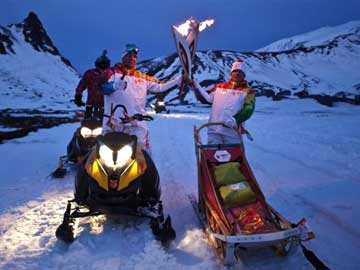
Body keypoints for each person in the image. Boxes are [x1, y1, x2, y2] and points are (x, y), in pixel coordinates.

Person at [101, 44, 183, 153]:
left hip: (137, 124)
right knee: (106, 155)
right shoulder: (110, 73)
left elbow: (160, 86)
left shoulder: (142, 77)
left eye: (135, 56)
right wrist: (114, 86)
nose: (132, 58)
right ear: (123, 56)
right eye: (129, 55)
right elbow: (101, 88)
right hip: (114, 124)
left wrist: (179, 79)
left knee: (143, 155)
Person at [191, 59, 256, 144]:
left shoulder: (248, 91)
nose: (237, 73)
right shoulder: (219, 86)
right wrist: (196, 85)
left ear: (244, 75)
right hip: (214, 130)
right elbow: (206, 98)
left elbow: (248, 109)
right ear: (231, 73)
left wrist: (235, 120)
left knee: (232, 156)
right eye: (235, 71)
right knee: (212, 155)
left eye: (240, 72)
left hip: (233, 132)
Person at [74, 50, 110, 118]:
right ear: (97, 64)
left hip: (105, 107)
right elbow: (82, 84)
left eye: (105, 64)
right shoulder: (90, 73)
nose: (103, 66)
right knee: (87, 124)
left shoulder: (110, 74)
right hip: (90, 106)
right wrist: (78, 95)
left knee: (106, 127)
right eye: (101, 63)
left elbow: (116, 88)